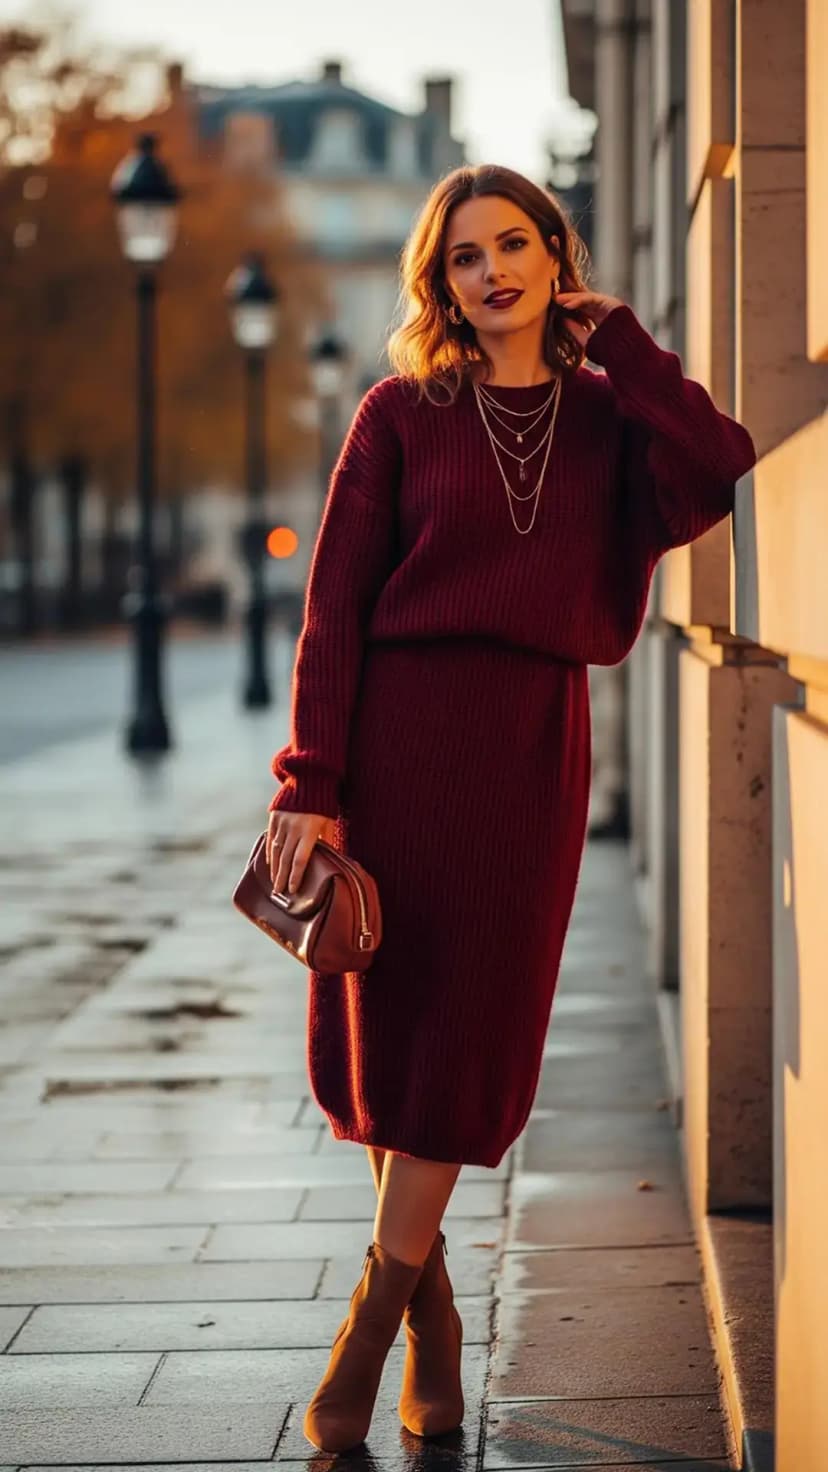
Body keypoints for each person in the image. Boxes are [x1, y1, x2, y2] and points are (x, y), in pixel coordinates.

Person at [264, 164, 756, 1453]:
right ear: (443, 280)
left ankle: (368, 1330)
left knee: (468, 1037)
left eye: (517, 245)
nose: (494, 272)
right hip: (395, 747)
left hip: (530, 749)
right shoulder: (397, 415)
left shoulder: (608, 420)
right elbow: (332, 615)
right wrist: (312, 788)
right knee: (389, 1035)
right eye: (467, 255)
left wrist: (626, 344)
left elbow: (718, 464)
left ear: (554, 258)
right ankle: (429, 1322)